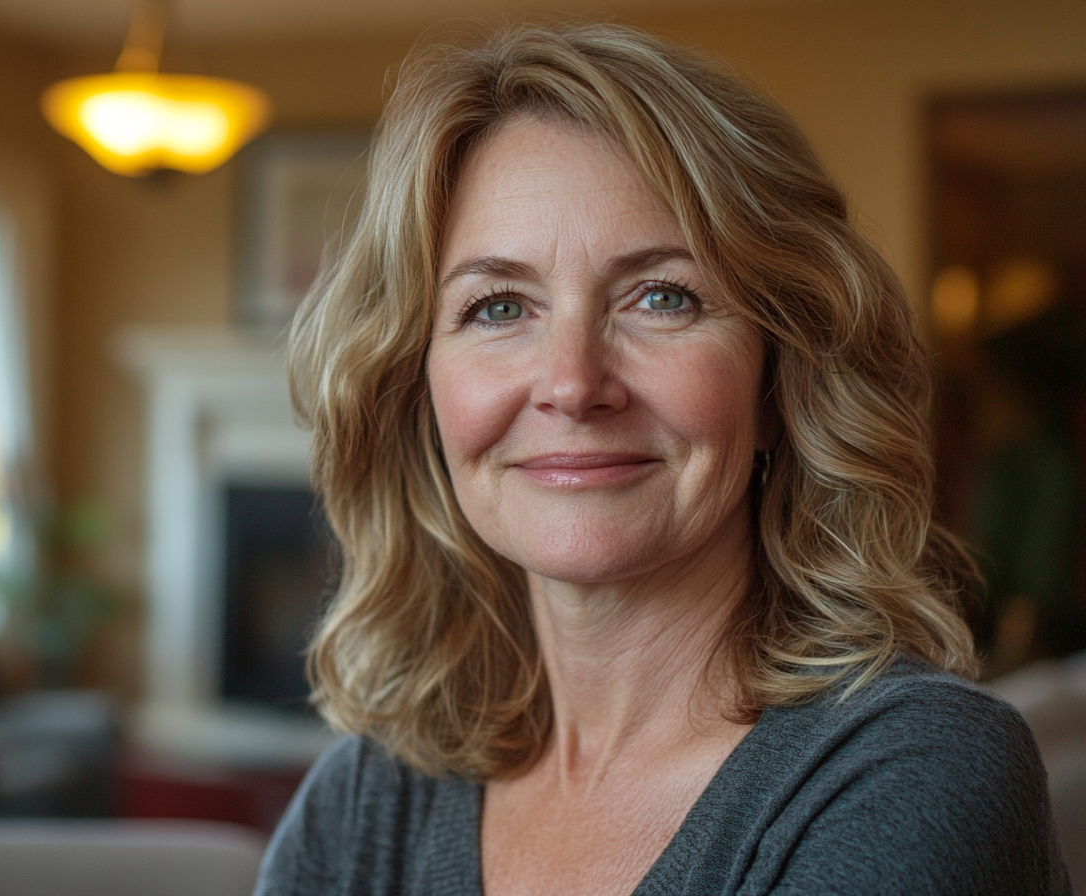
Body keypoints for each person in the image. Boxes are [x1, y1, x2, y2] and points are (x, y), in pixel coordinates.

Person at [255, 21, 1069, 896]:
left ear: (776, 382)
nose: (572, 384)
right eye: (497, 308)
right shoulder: (371, 798)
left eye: (662, 297)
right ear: (421, 391)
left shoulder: (916, 769)